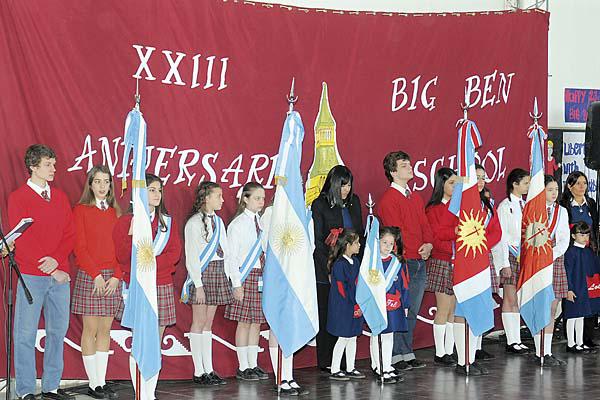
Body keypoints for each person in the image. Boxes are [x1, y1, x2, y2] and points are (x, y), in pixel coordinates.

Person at [8, 144, 75, 400]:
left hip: (59, 276)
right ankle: (26, 390)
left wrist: (56, 263)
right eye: (48, 164)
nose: (53, 169)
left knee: (58, 332)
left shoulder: (60, 197)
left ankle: (51, 387)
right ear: (33, 166)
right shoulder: (18, 197)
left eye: (54, 164)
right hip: (31, 275)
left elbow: (69, 234)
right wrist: (46, 265)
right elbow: (20, 238)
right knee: (25, 334)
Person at [113, 173, 181, 400]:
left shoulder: (166, 223)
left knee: (155, 341)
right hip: (138, 287)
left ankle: (150, 392)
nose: (156, 194)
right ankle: (141, 393)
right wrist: (130, 235)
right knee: (141, 340)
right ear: (140, 193)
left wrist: (152, 265)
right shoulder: (126, 222)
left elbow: (174, 254)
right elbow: (122, 257)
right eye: (152, 189)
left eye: (159, 190)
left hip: (160, 284)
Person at [377, 151, 433, 370]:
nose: (410, 168)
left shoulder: (415, 197)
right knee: (399, 309)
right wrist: (411, 252)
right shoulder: (389, 200)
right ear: (392, 172)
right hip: (403, 262)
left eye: (409, 164)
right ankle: (394, 355)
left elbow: (424, 225)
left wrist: (428, 244)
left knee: (412, 309)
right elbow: (394, 234)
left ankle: (407, 352)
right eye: (403, 165)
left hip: (419, 259)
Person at [182, 181, 243, 386]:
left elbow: (228, 253)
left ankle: (209, 368)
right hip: (203, 274)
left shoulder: (218, 222)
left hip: (217, 273)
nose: (222, 200)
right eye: (218, 196)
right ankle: (199, 371)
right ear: (206, 198)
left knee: (208, 323)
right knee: (198, 322)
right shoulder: (193, 223)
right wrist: (197, 284)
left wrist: (234, 280)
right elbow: (191, 258)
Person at [71, 165, 122, 399]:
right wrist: (96, 275)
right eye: (98, 182)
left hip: (112, 278)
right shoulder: (80, 210)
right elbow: (79, 248)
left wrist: (116, 276)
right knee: (90, 329)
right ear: (90, 184)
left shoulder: (116, 213)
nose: (103, 186)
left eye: (106, 182)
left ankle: (101, 381)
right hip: (92, 277)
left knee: (105, 330)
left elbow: (124, 249)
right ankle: (93, 383)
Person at [311, 165, 363, 372]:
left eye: (349, 185)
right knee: (329, 316)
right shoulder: (319, 204)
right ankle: (327, 362)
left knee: (349, 313)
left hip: (351, 269)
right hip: (327, 270)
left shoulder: (354, 203)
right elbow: (318, 241)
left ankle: (346, 363)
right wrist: (330, 269)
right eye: (342, 185)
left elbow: (360, 236)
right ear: (332, 184)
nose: (346, 190)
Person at [223, 182, 269, 381]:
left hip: (260, 276)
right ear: (245, 199)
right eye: (257, 198)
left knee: (256, 322)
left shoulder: (261, 222)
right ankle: (243, 366)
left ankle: (253, 364)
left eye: (263, 198)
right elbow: (231, 256)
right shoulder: (238, 224)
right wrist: (236, 283)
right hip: (245, 276)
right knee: (244, 322)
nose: (261, 202)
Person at [530, 175, 570, 366]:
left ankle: (547, 351)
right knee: (539, 306)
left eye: (556, 189)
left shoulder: (561, 212)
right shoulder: (531, 209)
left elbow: (564, 239)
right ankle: (538, 351)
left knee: (552, 308)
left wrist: (550, 254)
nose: (554, 193)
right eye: (550, 189)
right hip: (535, 262)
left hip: (553, 260)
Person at [560, 171, 600, 348]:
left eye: (584, 183)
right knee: (575, 290)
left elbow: (595, 229)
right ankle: (571, 339)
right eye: (578, 183)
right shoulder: (564, 206)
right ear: (569, 186)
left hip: (589, 253)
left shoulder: (590, 203)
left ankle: (587, 337)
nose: (582, 186)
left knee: (591, 290)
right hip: (572, 253)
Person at [424, 168, 458, 367]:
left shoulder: (460, 207)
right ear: (441, 185)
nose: (455, 187)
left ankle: (450, 349)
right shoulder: (434, 209)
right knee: (443, 308)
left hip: (457, 260)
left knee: (454, 309)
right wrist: (455, 234)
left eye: (456, 182)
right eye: (451, 183)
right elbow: (435, 236)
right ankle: (440, 351)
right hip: (442, 260)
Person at [497, 168, 531, 354]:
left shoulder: (526, 205)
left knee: (518, 298)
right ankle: (512, 340)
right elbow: (501, 237)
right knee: (510, 298)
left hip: (524, 255)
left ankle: (517, 338)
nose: (527, 186)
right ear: (514, 184)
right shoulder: (505, 206)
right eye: (525, 183)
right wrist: (504, 263)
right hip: (510, 255)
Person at [370, 226, 409, 384]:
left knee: (388, 336)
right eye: (384, 242)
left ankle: (386, 366)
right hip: (376, 305)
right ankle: (378, 367)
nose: (387, 246)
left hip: (393, 305)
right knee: (377, 336)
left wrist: (405, 304)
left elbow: (404, 285)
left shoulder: (396, 263)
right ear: (377, 242)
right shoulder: (371, 261)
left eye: (390, 243)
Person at [326, 229, 365, 380]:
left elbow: (359, 284)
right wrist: (353, 304)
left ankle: (350, 367)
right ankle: (335, 368)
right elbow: (342, 289)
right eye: (356, 243)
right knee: (343, 337)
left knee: (353, 337)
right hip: (343, 307)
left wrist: (359, 303)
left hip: (355, 304)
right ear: (347, 245)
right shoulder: (340, 265)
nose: (359, 245)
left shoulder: (355, 262)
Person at [564, 222, 600, 353]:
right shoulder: (571, 252)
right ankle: (570, 343)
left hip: (585, 289)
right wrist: (569, 289)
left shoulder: (588, 252)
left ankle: (579, 342)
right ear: (573, 236)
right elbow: (567, 272)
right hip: (575, 288)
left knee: (581, 316)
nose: (585, 237)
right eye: (581, 234)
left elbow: (593, 270)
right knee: (572, 316)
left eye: (587, 234)